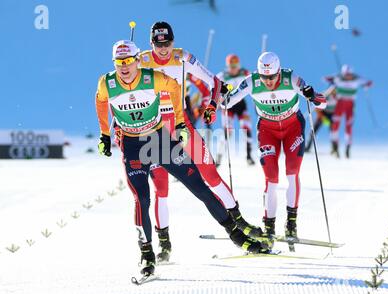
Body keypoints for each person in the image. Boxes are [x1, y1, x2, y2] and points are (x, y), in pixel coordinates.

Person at [95, 40, 268, 276]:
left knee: (199, 187)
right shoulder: (107, 83)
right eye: (119, 63)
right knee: (142, 199)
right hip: (133, 145)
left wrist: (178, 121)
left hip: (160, 140)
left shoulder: (151, 77)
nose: (124, 68)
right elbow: (101, 101)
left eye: (127, 61)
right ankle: (147, 255)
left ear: (136, 60)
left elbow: (176, 87)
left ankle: (237, 235)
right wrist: (105, 134)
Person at [136, 21, 264, 262]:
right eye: (158, 44)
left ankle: (239, 222)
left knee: (210, 175)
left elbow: (214, 82)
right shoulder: (140, 61)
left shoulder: (182, 57)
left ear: (172, 42)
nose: (163, 48)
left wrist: (213, 105)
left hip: (181, 125)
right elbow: (121, 92)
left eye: (167, 43)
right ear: (151, 43)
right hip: (152, 132)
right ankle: (164, 243)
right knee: (161, 190)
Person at [220, 51, 326, 242]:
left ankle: (291, 224)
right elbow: (226, 104)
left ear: (279, 72)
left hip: (293, 127)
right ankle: (269, 227)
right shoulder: (251, 81)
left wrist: (312, 96)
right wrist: (223, 96)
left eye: (272, 77)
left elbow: (322, 104)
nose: (268, 81)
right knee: (271, 179)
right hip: (268, 130)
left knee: (292, 173)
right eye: (264, 77)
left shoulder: (290, 79)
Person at [324, 65, 372, 158]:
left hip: (350, 105)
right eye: (346, 74)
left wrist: (367, 85)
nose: (348, 76)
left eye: (349, 74)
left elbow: (369, 82)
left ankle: (348, 148)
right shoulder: (338, 79)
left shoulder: (357, 79)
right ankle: (335, 147)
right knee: (335, 125)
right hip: (339, 104)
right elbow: (325, 78)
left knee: (349, 126)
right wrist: (331, 80)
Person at [216, 54, 255, 165]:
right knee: (227, 132)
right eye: (231, 66)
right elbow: (214, 90)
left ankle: (248, 156)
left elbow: (256, 81)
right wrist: (216, 103)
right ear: (227, 66)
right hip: (228, 106)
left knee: (246, 128)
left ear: (239, 65)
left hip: (241, 105)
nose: (233, 68)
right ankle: (218, 157)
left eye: (235, 65)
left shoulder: (245, 73)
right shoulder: (222, 76)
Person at [305, 86, 337, 153]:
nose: (334, 91)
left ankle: (335, 149)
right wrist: (322, 117)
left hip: (331, 115)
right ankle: (307, 147)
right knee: (313, 131)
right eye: (333, 90)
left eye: (335, 90)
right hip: (323, 114)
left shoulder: (337, 97)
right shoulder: (326, 95)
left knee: (333, 132)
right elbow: (317, 108)